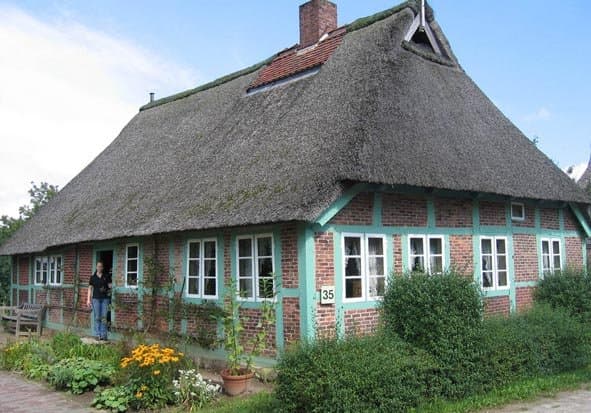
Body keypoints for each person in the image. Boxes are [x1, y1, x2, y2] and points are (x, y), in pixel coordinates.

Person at [86, 261, 112, 341]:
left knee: (104, 317)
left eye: (101, 266)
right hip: (96, 299)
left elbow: (110, 287)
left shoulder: (106, 276)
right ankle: (98, 334)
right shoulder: (92, 277)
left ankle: (104, 335)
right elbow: (90, 289)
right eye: (98, 266)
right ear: (96, 267)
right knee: (97, 317)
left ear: (103, 268)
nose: (99, 268)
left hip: (105, 299)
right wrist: (88, 299)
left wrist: (109, 290)